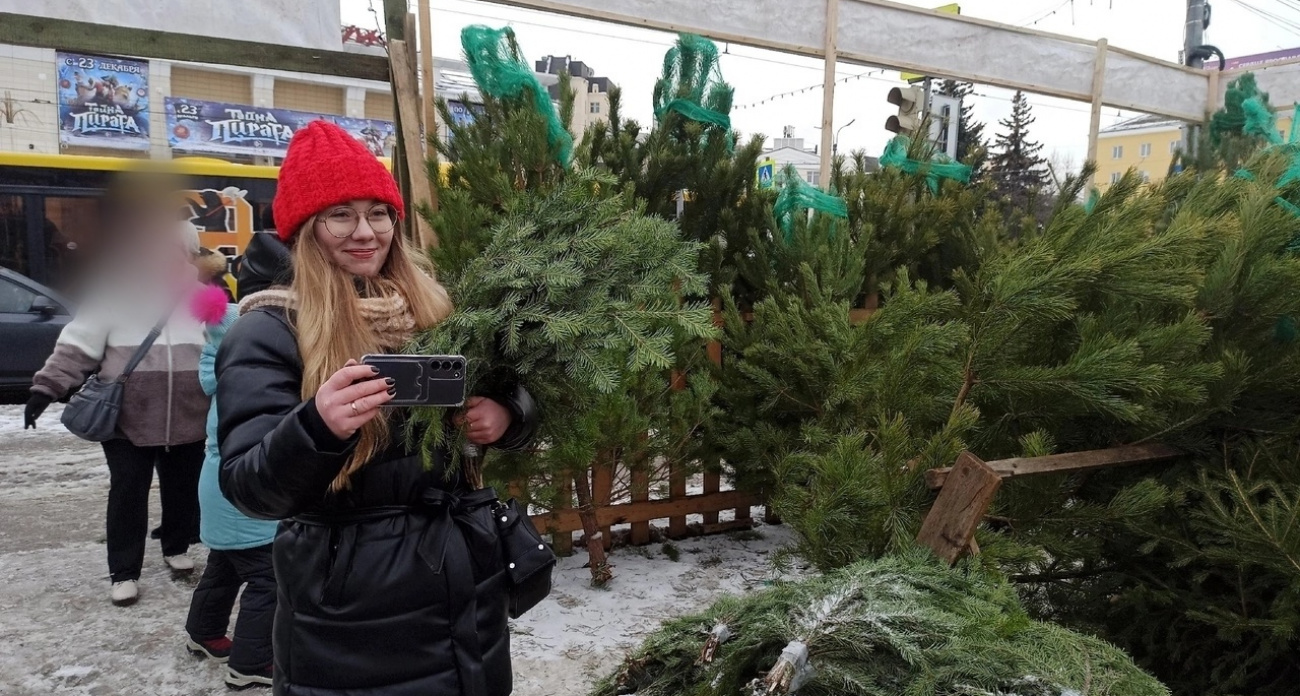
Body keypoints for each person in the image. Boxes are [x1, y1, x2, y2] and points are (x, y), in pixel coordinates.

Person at [216, 121, 537, 696]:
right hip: (354, 615)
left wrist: (507, 413)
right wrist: (317, 427)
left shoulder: (431, 309)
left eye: (379, 213)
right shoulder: (270, 330)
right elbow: (248, 487)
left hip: (463, 590)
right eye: (340, 214)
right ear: (305, 228)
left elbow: (502, 383)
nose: (365, 232)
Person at [25, 205, 209, 607]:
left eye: (180, 250)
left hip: (190, 415)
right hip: (128, 416)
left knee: (183, 489)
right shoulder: (115, 292)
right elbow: (78, 345)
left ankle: (176, 546)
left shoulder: (204, 298)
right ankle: (124, 570)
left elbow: (225, 347)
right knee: (128, 491)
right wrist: (46, 388)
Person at [182, 284, 276, 689]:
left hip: (218, 484)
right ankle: (252, 662)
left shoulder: (225, 369)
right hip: (241, 490)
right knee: (267, 576)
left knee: (223, 566)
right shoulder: (252, 377)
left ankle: (202, 632)